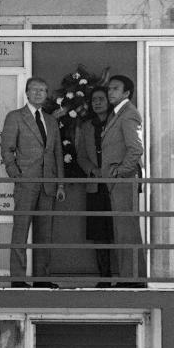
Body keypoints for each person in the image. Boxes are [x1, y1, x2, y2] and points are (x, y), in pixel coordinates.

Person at [0, 77, 65, 288]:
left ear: (47, 95)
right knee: (20, 232)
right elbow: (7, 149)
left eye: (43, 90)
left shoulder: (51, 121)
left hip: (48, 184)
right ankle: (17, 279)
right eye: (34, 90)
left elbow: (57, 154)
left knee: (44, 234)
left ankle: (41, 278)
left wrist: (60, 183)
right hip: (26, 182)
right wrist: (15, 175)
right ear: (26, 93)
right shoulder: (15, 117)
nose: (38, 93)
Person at [101, 74, 146, 287]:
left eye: (115, 89)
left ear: (126, 93)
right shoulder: (117, 114)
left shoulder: (128, 114)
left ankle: (132, 279)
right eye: (109, 88)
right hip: (117, 181)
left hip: (124, 181)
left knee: (127, 230)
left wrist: (120, 172)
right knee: (122, 230)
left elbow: (136, 148)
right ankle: (129, 277)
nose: (110, 92)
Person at [76, 86, 114, 286]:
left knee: (119, 230)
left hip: (116, 185)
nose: (97, 102)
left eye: (101, 98)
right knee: (100, 233)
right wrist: (93, 170)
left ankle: (125, 277)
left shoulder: (117, 121)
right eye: (94, 100)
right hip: (95, 186)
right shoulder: (86, 127)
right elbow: (81, 156)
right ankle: (105, 277)